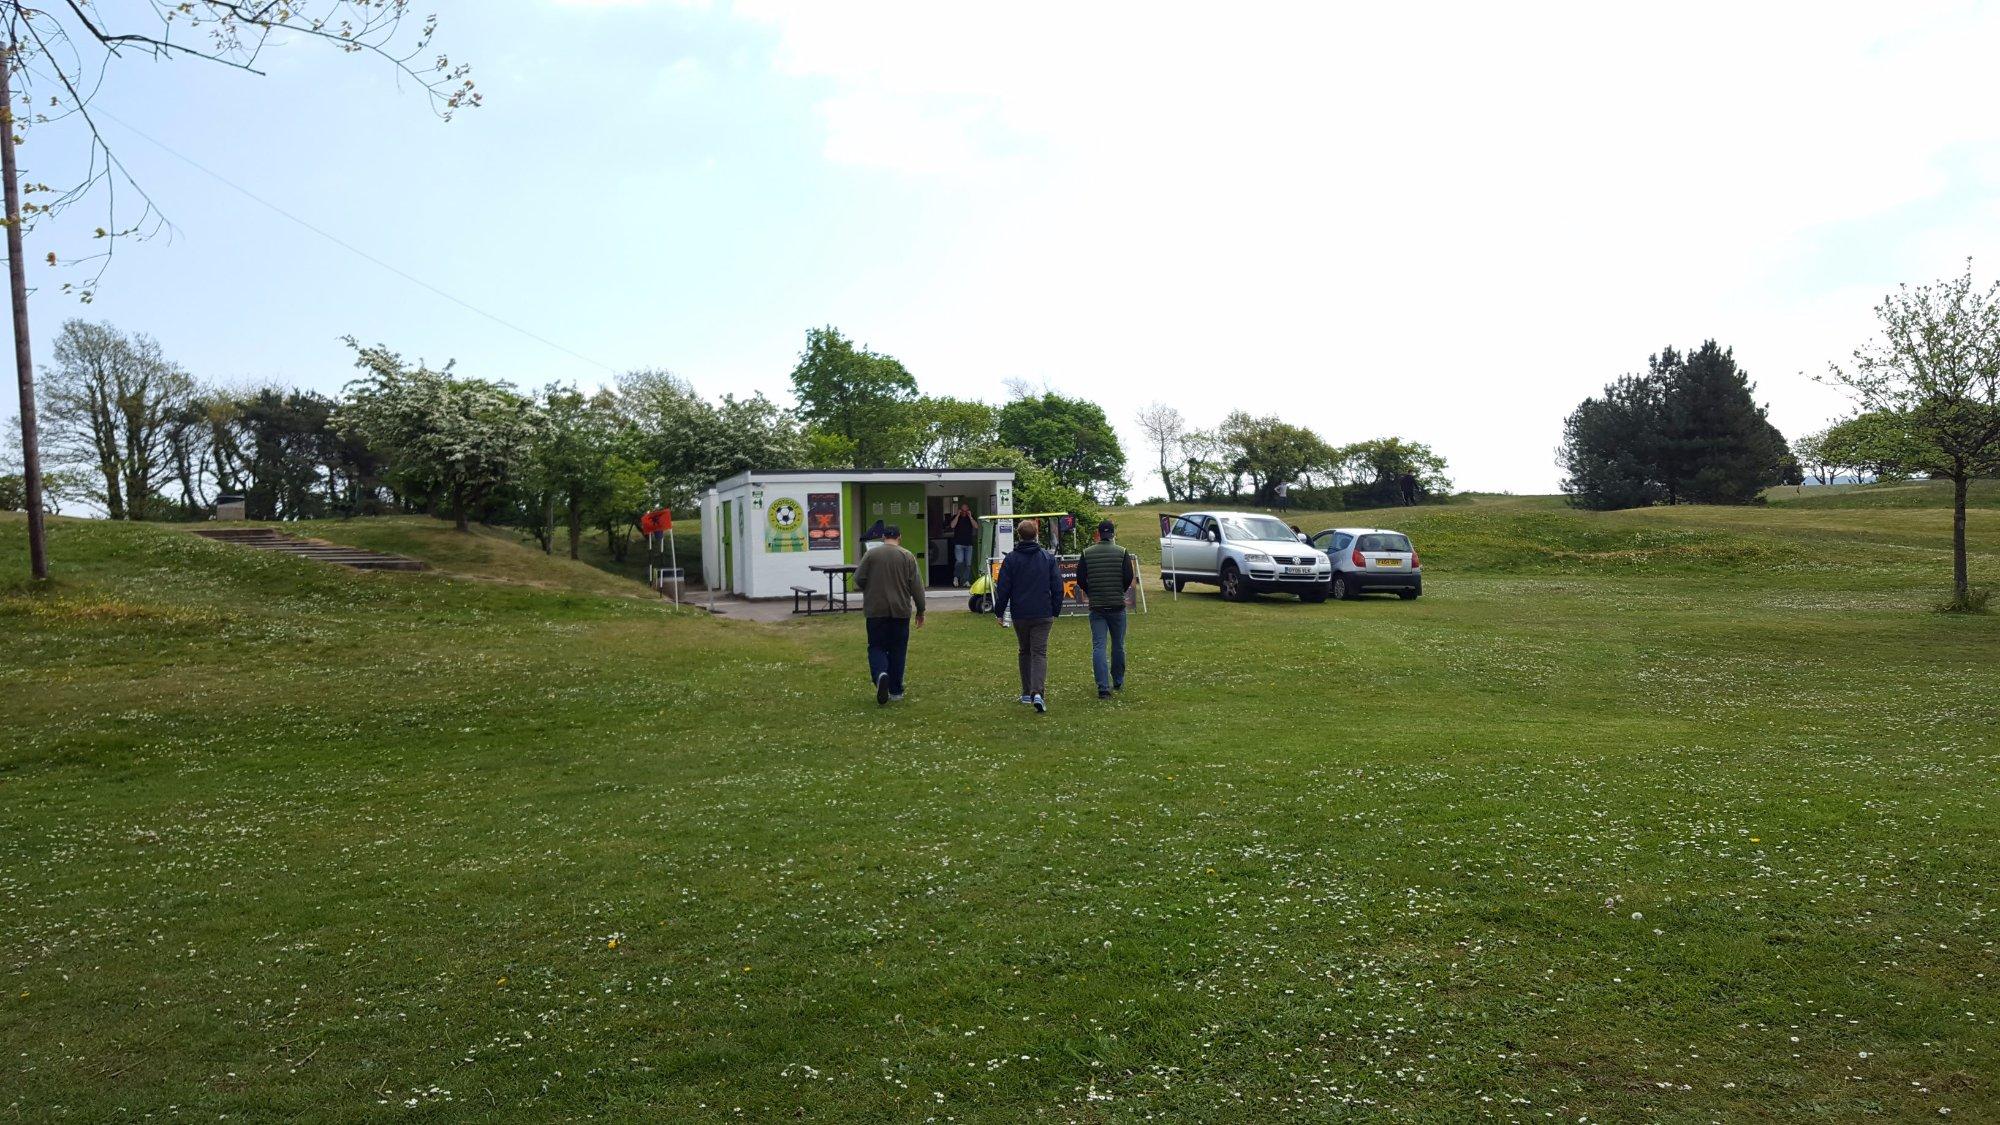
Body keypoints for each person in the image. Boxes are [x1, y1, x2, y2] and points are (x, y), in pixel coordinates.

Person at [991, 517, 1063, 713]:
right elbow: (1057, 586)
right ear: (1036, 535)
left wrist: (999, 612)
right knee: (1039, 652)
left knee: (1025, 650)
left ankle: (1026, 692)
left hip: (1020, 613)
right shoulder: (1047, 558)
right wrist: (1055, 609)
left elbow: (1003, 588)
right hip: (1043, 612)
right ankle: (1037, 691)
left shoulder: (1011, 559)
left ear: (1019, 535)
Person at [852, 523, 925, 705]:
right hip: (900, 611)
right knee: (898, 650)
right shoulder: (907, 556)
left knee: (876, 646)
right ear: (899, 537)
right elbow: (916, 586)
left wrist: (870, 586)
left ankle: (880, 675)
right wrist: (921, 610)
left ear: (883, 537)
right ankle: (895, 690)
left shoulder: (871, 554)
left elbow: (858, 578)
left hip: (875, 609)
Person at [1078, 519, 1138, 700]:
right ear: (1112, 534)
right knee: (1118, 644)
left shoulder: (1087, 553)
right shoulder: (1122, 552)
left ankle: (1103, 688)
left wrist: (1091, 591)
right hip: (1117, 606)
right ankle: (1118, 680)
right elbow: (1128, 577)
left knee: (1099, 646)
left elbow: (1080, 578)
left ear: (1098, 533)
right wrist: (1118, 590)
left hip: (1097, 607)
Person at [947, 503, 978, 587]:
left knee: (968, 564)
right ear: (960, 510)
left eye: (966, 510)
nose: (964, 512)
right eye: (962, 511)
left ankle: (966, 580)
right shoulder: (956, 517)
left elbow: (976, 526)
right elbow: (952, 525)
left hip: (969, 544)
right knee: (960, 561)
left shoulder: (970, 517)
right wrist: (957, 515)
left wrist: (970, 517)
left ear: (968, 510)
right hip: (958, 544)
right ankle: (956, 577)